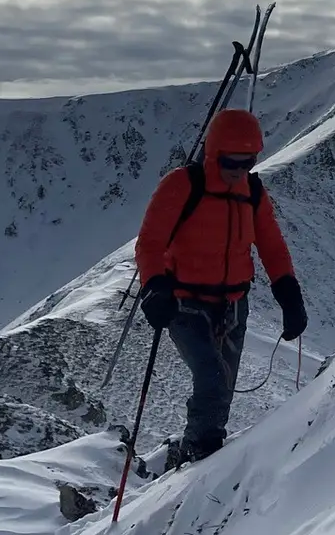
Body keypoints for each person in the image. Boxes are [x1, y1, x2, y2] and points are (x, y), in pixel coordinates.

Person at [134, 107, 307, 467]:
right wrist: (155, 287)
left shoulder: (252, 192)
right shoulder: (183, 184)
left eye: (248, 162)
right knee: (212, 377)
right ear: (214, 153)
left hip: (232, 304)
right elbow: (150, 242)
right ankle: (201, 456)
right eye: (232, 161)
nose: (239, 170)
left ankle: (196, 455)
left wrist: (289, 295)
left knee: (223, 387)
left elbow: (272, 245)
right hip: (184, 303)